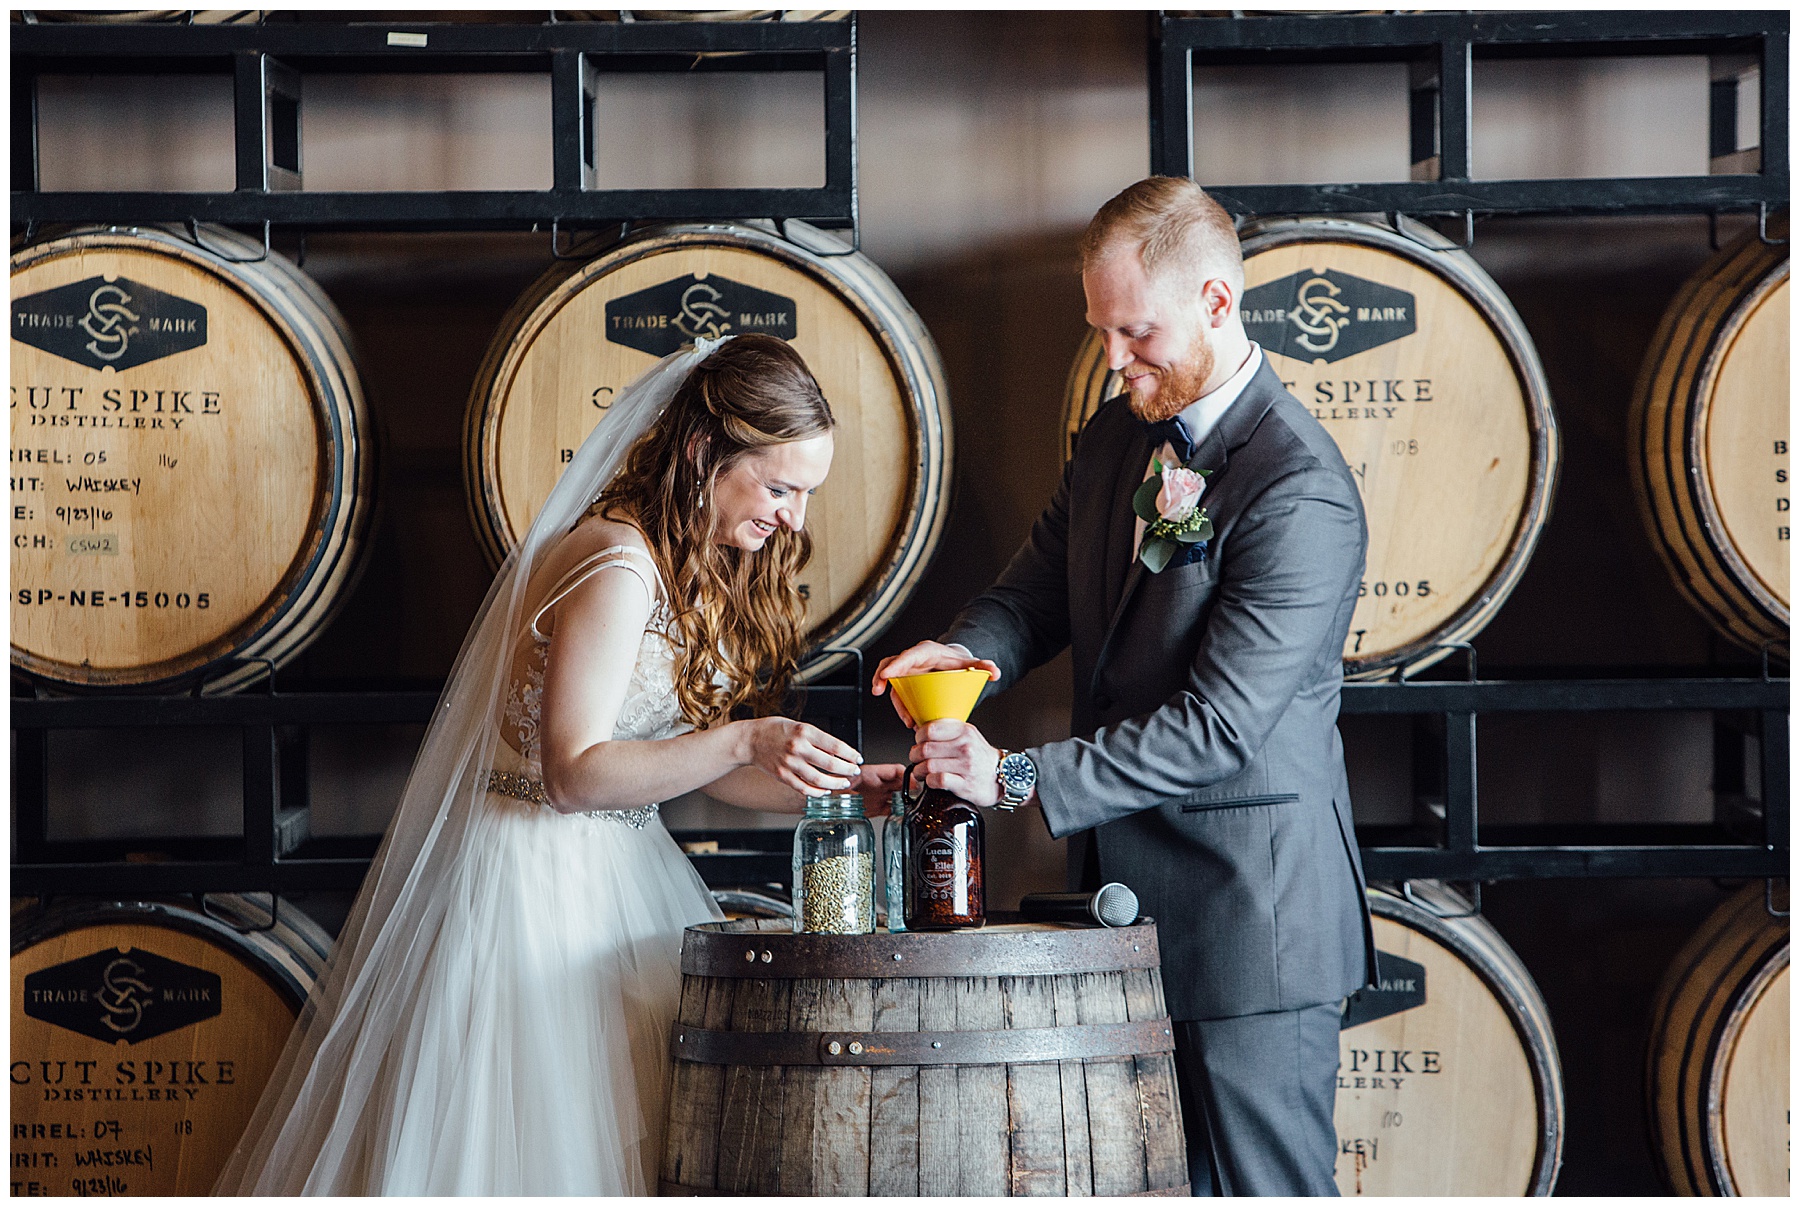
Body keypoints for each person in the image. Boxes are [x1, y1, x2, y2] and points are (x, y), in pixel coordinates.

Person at [218, 333, 902, 1196]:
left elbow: (685, 763)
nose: (793, 518)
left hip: (617, 872)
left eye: (805, 493)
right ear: (702, 452)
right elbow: (573, 772)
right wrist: (742, 735)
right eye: (779, 486)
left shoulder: (685, 562)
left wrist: (844, 794)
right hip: (531, 880)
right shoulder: (618, 564)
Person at [874, 177, 1378, 1197]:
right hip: (1129, 914)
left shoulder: (1299, 487)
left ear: (1217, 304)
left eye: (1135, 332)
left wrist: (1010, 778)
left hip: (1253, 928)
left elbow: (1221, 725)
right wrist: (964, 659)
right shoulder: (1116, 438)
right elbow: (1033, 594)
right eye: (1101, 331)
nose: (1114, 359)